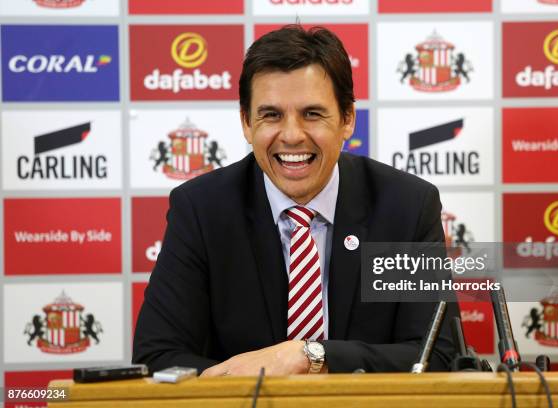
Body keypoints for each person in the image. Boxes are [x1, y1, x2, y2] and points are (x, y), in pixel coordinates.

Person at [133, 24, 459, 376]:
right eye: (271, 115)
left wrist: (309, 356)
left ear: (347, 119)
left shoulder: (404, 207)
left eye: (312, 114)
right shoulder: (202, 209)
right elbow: (158, 356)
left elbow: (437, 356)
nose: (291, 136)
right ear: (246, 122)